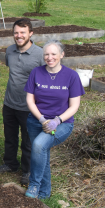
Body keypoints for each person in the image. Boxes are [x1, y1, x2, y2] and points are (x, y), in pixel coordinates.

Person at [24, 41, 84, 199]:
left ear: (62, 55)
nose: (49, 58)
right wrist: (42, 119)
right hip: (36, 120)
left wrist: (56, 121)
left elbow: (74, 105)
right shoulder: (36, 72)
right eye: (46, 54)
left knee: (38, 145)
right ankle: (45, 193)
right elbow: (30, 101)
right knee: (41, 152)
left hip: (62, 123)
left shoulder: (71, 76)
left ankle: (34, 184)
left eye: (53, 54)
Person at [0, 19, 44, 186]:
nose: (19, 36)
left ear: (31, 33)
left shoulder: (40, 54)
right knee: (10, 136)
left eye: (23, 32)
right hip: (9, 103)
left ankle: (27, 170)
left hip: (29, 106)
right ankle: (10, 163)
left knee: (28, 140)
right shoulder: (10, 51)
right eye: (16, 32)